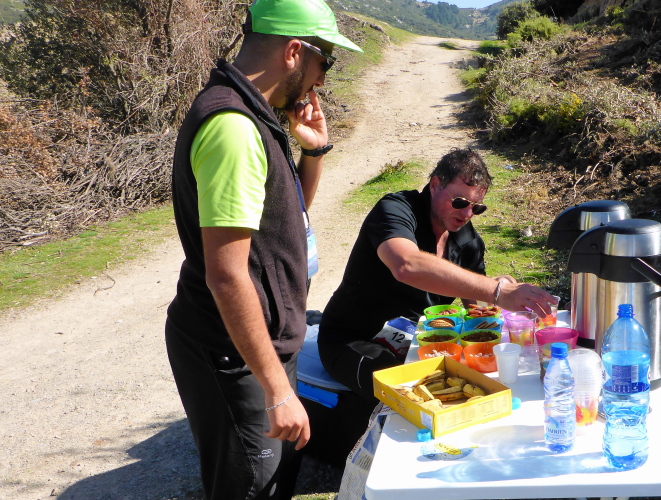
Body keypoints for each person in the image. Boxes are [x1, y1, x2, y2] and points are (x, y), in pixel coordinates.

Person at [164, 1, 362, 499]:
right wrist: (275, 388)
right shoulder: (233, 127)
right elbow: (227, 274)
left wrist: (313, 152)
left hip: (262, 343)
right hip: (234, 352)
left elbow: (284, 219)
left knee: (278, 476)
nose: (322, 79)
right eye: (325, 61)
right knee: (254, 485)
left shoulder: (257, 114)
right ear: (294, 52)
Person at [317, 148, 554, 437]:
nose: (467, 214)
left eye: (477, 208)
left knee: (471, 387)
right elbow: (406, 264)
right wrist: (497, 290)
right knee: (418, 395)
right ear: (435, 185)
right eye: (460, 202)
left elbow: (474, 300)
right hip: (355, 339)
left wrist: (500, 284)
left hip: (420, 343)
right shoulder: (396, 209)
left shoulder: (466, 239)